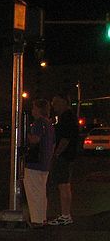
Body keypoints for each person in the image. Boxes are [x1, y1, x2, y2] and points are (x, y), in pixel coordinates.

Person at [23, 99, 55, 228]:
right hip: (44, 163)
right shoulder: (49, 124)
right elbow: (52, 144)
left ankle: (36, 220)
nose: (32, 111)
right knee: (41, 192)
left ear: (38, 109)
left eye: (34, 108)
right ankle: (41, 218)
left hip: (34, 163)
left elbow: (35, 139)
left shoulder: (38, 123)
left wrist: (25, 135)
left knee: (34, 193)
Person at [48, 95, 79, 226]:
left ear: (64, 103)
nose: (54, 106)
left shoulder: (66, 117)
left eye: (56, 103)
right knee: (65, 185)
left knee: (63, 185)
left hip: (64, 156)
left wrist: (57, 153)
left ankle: (65, 215)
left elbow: (65, 138)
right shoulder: (68, 117)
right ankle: (65, 214)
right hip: (68, 155)